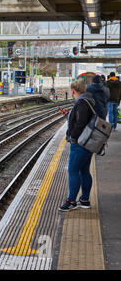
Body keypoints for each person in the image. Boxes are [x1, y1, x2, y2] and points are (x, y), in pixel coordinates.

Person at [58, 80, 95, 212]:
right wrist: (68, 115)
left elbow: (80, 123)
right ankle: (84, 200)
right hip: (87, 142)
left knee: (73, 171)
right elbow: (81, 120)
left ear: (73, 91)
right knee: (84, 171)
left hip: (80, 143)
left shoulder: (81, 103)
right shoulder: (87, 101)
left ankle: (71, 201)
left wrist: (72, 137)